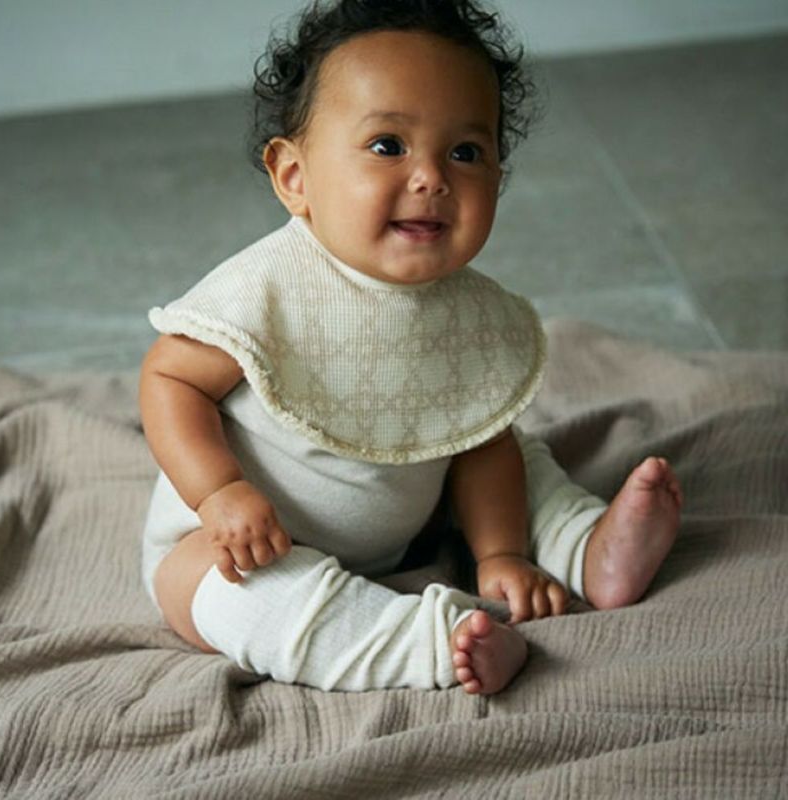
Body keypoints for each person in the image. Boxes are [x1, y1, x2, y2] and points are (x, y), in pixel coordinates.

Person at [139, 0, 683, 695]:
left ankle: (586, 549)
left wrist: (500, 553)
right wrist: (219, 492)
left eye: (465, 152)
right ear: (295, 178)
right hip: (238, 538)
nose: (431, 178)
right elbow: (171, 380)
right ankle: (429, 643)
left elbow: (477, 442)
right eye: (388, 146)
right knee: (240, 595)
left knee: (516, 453)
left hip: (415, 524)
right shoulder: (267, 289)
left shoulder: (470, 313)